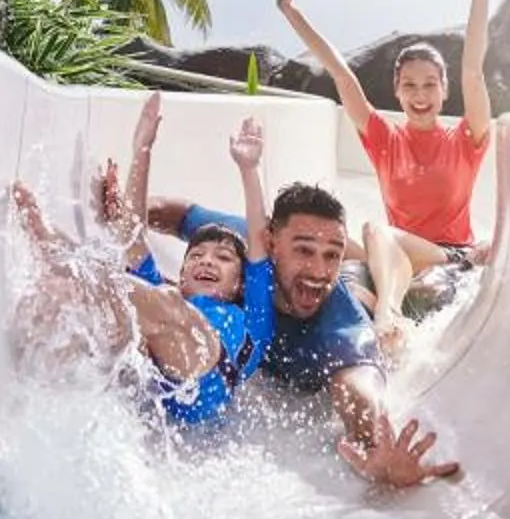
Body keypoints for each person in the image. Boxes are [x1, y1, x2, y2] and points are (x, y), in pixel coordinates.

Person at [276, 0, 510, 350]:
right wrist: (290, 11)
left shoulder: (466, 139)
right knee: (315, 240)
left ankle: (387, 314)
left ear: (444, 90)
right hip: (393, 257)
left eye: (429, 84)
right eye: (410, 85)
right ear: (397, 91)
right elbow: (340, 73)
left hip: (448, 255)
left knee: (375, 230)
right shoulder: (384, 139)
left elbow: (473, 70)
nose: (420, 95)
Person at [146, 178, 459, 490]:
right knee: (365, 251)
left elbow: (359, 392)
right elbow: (177, 213)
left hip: (373, 287)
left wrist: (374, 445)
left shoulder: (343, 331)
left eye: (330, 255)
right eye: (304, 251)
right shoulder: (240, 244)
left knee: (409, 267)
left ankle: (461, 258)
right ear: (271, 243)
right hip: (350, 275)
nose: (318, 271)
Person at [11, 96, 274, 431]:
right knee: (115, 291)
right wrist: (142, 149)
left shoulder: (254, 318)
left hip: (209, 375)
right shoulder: (164, 294)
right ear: (182, 275)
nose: (207, 261)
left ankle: (59, 260)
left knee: (156, 300)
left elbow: (259, 240)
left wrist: (249, 169)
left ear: (240, 283)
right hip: (161, 380)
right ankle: (51, 337)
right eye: (196, 256)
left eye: (222, 258)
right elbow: (133, 237)